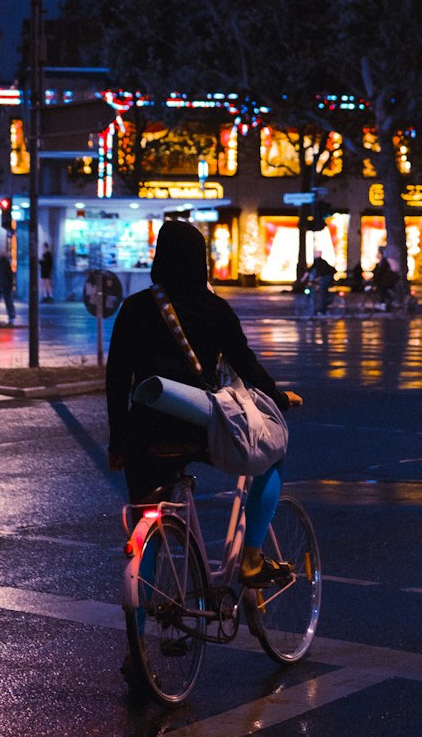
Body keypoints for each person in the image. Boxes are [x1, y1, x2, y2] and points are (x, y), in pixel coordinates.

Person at [106, 218, 293, 598]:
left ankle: (138, 644)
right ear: (200, 260)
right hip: (196, 428)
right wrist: (278, 396)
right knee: (272, 456)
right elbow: (244, 363)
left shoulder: (135, 308)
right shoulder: (214, 309)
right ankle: (253, 557)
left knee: (147, 523)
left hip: (143, 434)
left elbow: (116, 379)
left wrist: (118, 443)